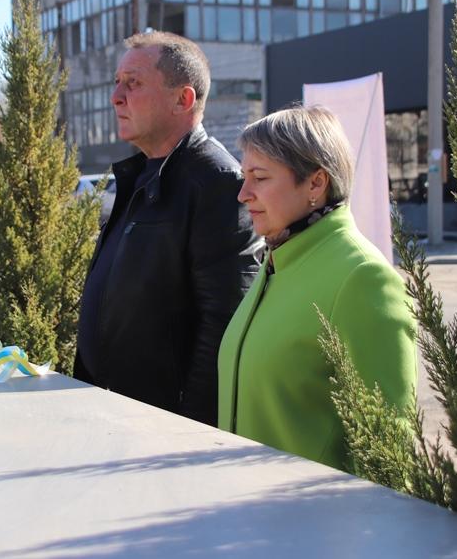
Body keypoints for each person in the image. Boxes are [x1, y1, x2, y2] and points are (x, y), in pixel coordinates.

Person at [74, 31, 261, 425]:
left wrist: (185, 431)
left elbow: (223, 323)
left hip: (160, 429)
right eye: (117, 83)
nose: (116, 97)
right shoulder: (139, 175)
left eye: (134, 83)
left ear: (183, 99)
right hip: (110, 414)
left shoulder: (217, 182)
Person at [217, 106, 416, 469]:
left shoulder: (362, 277)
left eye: (259, 178)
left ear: (315, 183)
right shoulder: (281, 256)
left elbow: (388, 445)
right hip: (250, 514)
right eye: (244, 177)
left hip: (307, 521)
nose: (243, 194)